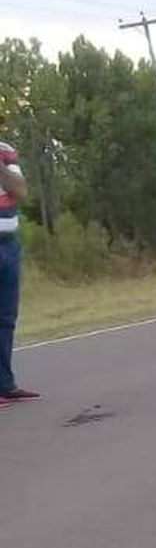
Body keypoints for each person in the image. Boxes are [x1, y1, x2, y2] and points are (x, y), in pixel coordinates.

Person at [1, 136, 39, 404]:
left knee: (5, 317)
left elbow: (19, 191)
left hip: (9, 244)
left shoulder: (6, 150)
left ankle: (5, 384)